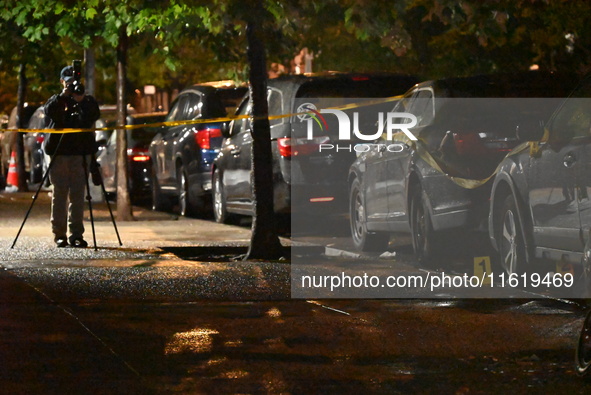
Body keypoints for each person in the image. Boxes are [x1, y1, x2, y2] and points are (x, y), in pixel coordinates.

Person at [44, 65, 100, 247]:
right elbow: (50, 112)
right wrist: (63, 96)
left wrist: (81, 100)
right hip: (59, 153)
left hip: (80, 152)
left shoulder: (85, 100)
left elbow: (93, 115)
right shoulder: (57, 100)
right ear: (62, 82)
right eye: (67, 82)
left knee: (78, 194)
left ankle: (76, 234)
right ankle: (59, 234)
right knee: (59, 193)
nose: (71, 86)